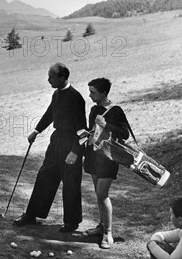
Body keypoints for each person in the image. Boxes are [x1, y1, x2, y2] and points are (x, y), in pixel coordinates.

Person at [13, 63, 87, 233]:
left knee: (71, 183)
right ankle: (32, 215)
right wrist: (36, 131)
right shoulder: (56, 94)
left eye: (51, 77)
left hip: (71, 144)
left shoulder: (76, 98)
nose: (48, 80)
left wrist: (75, 152)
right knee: (45, 176)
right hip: (56, 142)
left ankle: (72, 222)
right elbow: (49, 114)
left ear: (62, 78)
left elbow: (83, 130)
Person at [82, 78, 131, 249]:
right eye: (89, 91)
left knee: (102, 194)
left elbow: (124, 134)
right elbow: (92, 130)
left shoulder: (116, 111)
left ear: (103, 93)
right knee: (98, 193)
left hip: (109, 158)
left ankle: (108, 233)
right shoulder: (94, 109)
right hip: (94, 156)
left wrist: (106, 125)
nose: (90, 95)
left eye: (93, 92)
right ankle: (101, 226)